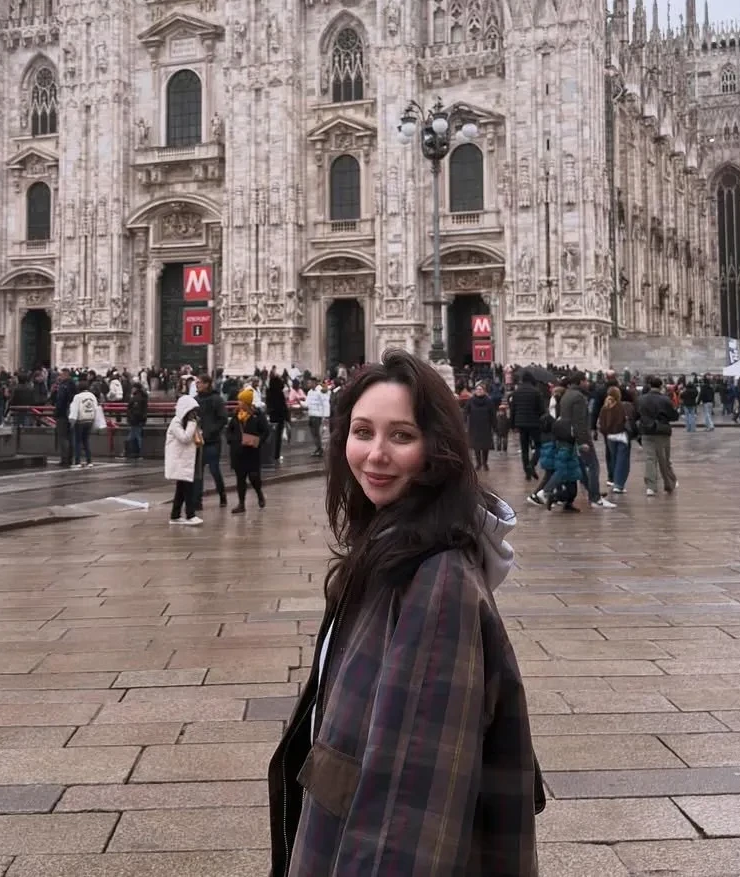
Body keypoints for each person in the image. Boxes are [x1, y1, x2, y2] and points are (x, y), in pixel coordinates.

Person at [268, 351, 541, 874]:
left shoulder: (435, 579)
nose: (375, 454)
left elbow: (413, 795)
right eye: (362, 432)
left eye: (401, 436)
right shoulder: (389, 547)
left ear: (436, 448)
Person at [559, 372, 616, 509]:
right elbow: (579, 422)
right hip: (580, 437)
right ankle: (595, 498)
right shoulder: (579, 397)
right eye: (585, 381)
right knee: (593, 465)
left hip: (569, 435)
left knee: (582, 468)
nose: (588, 383)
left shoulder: (566, 395)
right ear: (580, 382)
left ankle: (592, 492)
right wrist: (584, 441)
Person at [226, 386, 267, 514]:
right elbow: (229, 431)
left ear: (247, 402)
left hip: (252, 452)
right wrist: (233, 440)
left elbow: (265, 432)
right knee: (240, 479)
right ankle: (241, 504)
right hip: (238, 452)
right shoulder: (236, 416)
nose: (239, 403)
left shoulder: (257, 416)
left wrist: (256, 441)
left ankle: (259, 493)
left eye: (241, 401)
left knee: (254, 477)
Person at [165, 393, 204, 526]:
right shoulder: (176, 422)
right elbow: (185, 438)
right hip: (180, 461)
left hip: (185, 461)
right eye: (192, 411)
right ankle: (190, 514)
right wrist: (192, 424)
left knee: (181, 490)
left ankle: (175, 515)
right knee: (188, 489)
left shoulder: (187, 422)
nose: (194, 414)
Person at [636, 376, 679, 495]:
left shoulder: (641, 399)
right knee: (664, 459)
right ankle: (668, 484)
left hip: (646, 431)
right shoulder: (665, 399)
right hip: (662, 431)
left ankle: (651, 487)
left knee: (650, 459)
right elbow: (674, 416)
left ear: (650, 386)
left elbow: (637, 415)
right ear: (660, 386)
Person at [194, 373, 229, 507]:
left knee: (214, 470)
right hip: (199, 441)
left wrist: (211, 431)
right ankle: (197, 501)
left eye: (200, 382)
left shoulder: (216, 399)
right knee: (198, 472)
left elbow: (223, 419)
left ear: (207, 384)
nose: (197, 384)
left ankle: (222, 495)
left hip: (213, 441)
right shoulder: (195, 400)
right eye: (197, 382)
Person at [509, 369, 546, 480]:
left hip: (521, 423)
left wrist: (512, 425)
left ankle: (527, 473)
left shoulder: (516, 392)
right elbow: (542, 410)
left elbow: (513, 409)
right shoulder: (536, 392)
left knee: (524, 448)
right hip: (534, 423)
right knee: (539, 446)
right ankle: (532, 464)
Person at [597, 384, 632, 493]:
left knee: (614, 459)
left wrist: (606, 432)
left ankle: (614, 480)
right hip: (621, 436)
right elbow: (623, 421)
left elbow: (601, 423)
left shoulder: (604, 407)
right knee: (622, 460)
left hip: (610, 437)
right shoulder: (621, 406)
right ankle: (619, 484)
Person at [67, 378, 98, 468]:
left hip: (80, 421)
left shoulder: (78, 397)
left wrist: (72, 421)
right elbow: (96, 408)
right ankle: (89, 461)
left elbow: (74, 409)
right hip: (90, 420)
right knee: (86, 441)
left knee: (78, 442)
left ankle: (78, 462)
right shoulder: (92, 396)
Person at [466, 381, 496, 471]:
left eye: (481, 389)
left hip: (485, 426)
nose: (479, 391)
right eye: (477, 389)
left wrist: (495, 426)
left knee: (485, 446)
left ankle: (485, 463)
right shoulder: (471, 401)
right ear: (475, 391)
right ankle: (478, 463)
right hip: (474, 426)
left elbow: (492, 414)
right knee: (476, 446)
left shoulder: (489, 401)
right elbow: (466, 411)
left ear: (484, 391)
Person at [305, 377, 330, 457]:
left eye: (310, 383)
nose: (308, 384)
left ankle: (321, 449)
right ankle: (318, 448)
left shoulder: (320, 391)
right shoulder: (309, 392)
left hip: (318, 416)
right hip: (311, 415)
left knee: (318, 434)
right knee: (313, 433)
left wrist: (325, 416)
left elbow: (325, 404)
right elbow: (307, 403)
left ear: (314, 383)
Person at [125, 382, 148, 460]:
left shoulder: (136, 398)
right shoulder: (142, 396)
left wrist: (131, 418)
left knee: (135, 436)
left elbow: (135, 410)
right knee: (134, 436)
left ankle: (133, 452)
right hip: (139, 420)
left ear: (136, 388)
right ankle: (130, 452)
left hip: (136, 420)